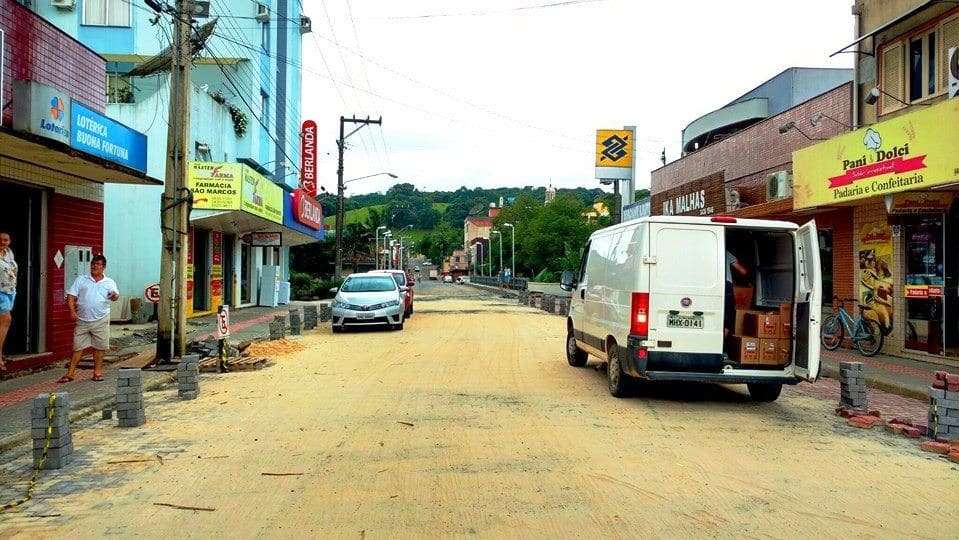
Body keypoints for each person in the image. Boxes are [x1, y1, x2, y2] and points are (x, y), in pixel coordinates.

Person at [58, 255, 119, 383]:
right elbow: (71, 296)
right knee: (78, 347)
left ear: (103, 267)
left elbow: (115, 296)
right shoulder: (81, 280)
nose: (94, 266)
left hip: (101, 319)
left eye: (97, 264)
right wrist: (72, 311)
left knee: (99, 347)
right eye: (93, 263)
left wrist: (114, 295)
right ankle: (70, 373)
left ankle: (97, 373)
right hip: (82, 319)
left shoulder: (109, 282)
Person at [0, 232, 17, 372]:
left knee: (3, 321)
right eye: (0, 240)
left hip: (10, 291)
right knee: (6, 319)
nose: (3, 242)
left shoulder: (9, 254)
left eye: (5, 240)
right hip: (0, 291)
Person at [724, 249, 750, 337]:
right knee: (728, 313)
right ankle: (723, 342)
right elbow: (742, 271)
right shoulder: (725, 251)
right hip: (726, 285)